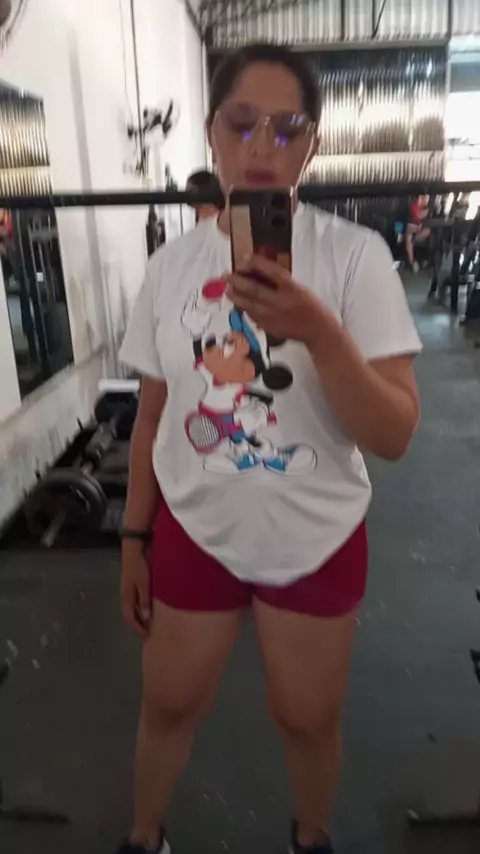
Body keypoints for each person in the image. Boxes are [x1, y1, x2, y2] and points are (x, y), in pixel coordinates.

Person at [116, 42, 421, 854]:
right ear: (212, 134)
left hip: (316, 528)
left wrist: (319, 331)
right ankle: (143, 838)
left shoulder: (355, 258)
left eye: (287, 129)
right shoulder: (170, 269)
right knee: (168, 703)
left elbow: (393, 433)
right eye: (242, 123)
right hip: (194, 522)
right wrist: (135, 534)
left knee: (308, 718)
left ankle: (310, 838)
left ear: (312, 145)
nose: (262, 145)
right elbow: (151, 415)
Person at [405, 194, 431, 271]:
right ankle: (411, 262)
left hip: (423, 228)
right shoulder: (414, 205)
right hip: (412, 226)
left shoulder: (429, 208)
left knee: (428, 231)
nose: (426, 200)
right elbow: (417, 216)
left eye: (427, 198)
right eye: (424, 197)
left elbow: (426, 220)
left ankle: (424, 260)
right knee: (408, 237)